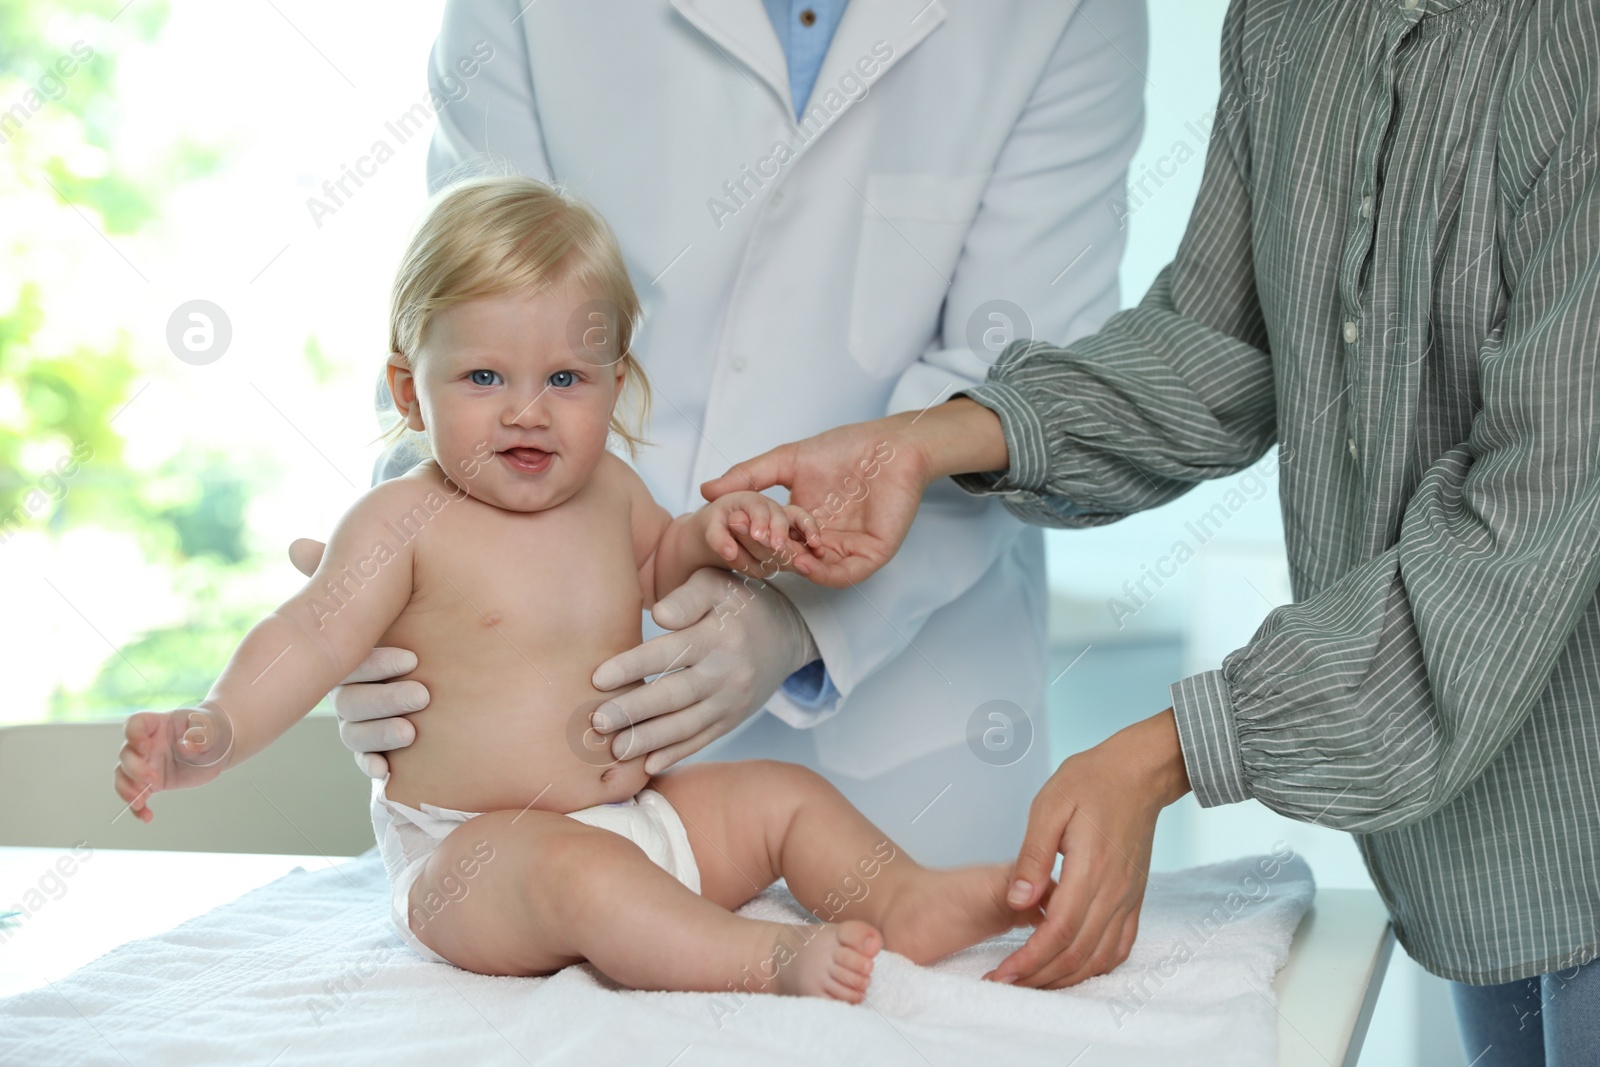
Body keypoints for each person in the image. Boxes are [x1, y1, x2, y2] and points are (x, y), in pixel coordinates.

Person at [702, 0, 1600, 1056]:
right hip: (1475, 859)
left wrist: (1167, 751)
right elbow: (1215, 347)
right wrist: (936, 438)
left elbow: (1519, 526)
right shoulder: (1288, 22)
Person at [115, 177, 1033, 1000]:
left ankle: (905, 897)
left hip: (639, 817)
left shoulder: (611, 495)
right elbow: (311, 633)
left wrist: (724, 537)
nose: (528, 408)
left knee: (781, 795)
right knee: (580, 874)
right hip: (476, 858)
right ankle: (757, 958)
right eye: (483, 377)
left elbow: (671, 573)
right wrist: (220, 726)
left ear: (616, 384)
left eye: (565, 378)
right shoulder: (401, 521)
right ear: (407, 391)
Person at [308, 0, 1148, 867]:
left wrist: (790, 618)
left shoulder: (1064, 15)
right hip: (545, 737)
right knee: (566, 929)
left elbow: (1023, 388)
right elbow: (461, 309)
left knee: (899, 950)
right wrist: (401, 604)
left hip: (910, 721)